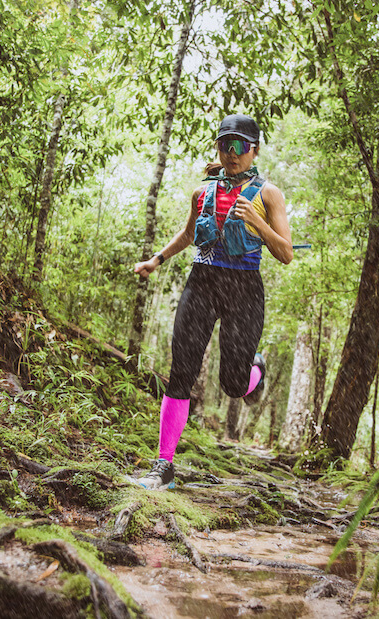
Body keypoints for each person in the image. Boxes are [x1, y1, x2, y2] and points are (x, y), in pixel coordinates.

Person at [133, 113, 293, 490]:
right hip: (202, 281)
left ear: (253, 150)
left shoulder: (270, 194)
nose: (231, 153)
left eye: (239, 146)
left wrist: (259, 221)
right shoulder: (203, 191)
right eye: (224, 145)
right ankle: (164, 467)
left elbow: (286, 253)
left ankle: (256, 370)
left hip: (244, 288)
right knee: (181, 371)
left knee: (233, 384)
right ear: (218, 148)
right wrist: (156, 260)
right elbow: (188, 234)